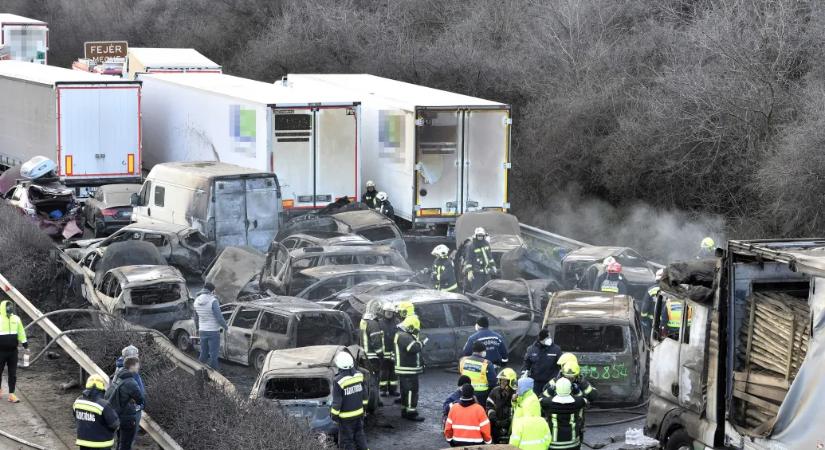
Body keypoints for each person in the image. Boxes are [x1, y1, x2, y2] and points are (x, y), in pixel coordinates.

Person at [330, 351, 368, 450]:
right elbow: (364, 395)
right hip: (359, 414)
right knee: (360, 436)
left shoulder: (338, 381)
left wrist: (334, 416)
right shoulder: (359, 375)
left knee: (347, 441)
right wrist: (364, 409)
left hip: (345, 418)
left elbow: (337, 402)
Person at [106, 357, 145, 450]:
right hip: (127, 417)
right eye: (137, 365)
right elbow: (140, 399)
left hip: (116, 414)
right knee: (126, 444)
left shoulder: (118, 376)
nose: (138, 367)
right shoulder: (131, 382)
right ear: (132, 366)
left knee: (119, 441)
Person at [73, 374, 120, 450]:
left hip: (83, 442)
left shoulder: (77, 402)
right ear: (101, 388)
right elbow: (115, 424)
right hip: (102, 444)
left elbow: (76, 417)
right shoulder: (104, 405)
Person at [540, 378, 586, 450]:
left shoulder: (548, 403)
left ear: (556, 389)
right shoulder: (578, 402)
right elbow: (584, 399)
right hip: (573, 443)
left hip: (554, 444)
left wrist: (550, 390)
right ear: (570, 389)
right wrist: (577, 390)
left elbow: (540, 398)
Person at [394, 316, 424, 421]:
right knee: (412, 390)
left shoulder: (401, 334)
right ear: (410, 327)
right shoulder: (404, 336)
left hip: (404, 369)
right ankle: (411, 412)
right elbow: (413, 348)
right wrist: (421, 343)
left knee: (405, 390)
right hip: (408, 369)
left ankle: (405, 409)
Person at [193, 282, 228, 370]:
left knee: (203, 353)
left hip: (202, 331)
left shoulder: (196, 300)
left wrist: (197, 328)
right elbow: (219, 317)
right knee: (213, 354)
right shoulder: (213, 301)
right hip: (213, 331)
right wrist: (226, 327)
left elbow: (195, 317)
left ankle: (199, 371)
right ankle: (214, 375)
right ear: (212, 291)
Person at [0, 299, 27, 403]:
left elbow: (21, 331)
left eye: (10, 306)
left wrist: (25, 344)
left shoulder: (16, 318)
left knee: (13, 373)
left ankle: (11, 394)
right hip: (0, 352)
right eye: (7, 306)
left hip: (13, 352)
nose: (9, 308)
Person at [521, 328, 562, 395]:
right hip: (536, 383)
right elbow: (526, 363)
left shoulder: (556, 350)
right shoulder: (531, 349)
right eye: (548, 337)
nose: (550, 339)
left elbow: (561, 364)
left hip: (550, 383)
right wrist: (524, 373)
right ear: (542, 339)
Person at [359, 299, 384, 404]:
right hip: (373, 357)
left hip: (365, 356)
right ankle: (373, 402)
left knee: (368, 380)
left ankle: (374, 400)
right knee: (374, 380)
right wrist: (381, 354)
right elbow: (376, 341)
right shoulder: (373, 323)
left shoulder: (363, 321)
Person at [459, 341, 497, 406]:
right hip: (482, 394)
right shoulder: (487, 363)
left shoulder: (463, 360)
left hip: (465, 392)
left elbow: (461, 374)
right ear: (482, 351)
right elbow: (493, 382)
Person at [486, 368, 517, 443]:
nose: (502, 382)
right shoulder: (495, 391)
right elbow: (489, 406)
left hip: (511, 428)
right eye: (501, 380)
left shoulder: (516, 394)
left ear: (511, 382)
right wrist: (495, 420)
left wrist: (509, 421)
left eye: (505, 380)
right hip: (496, 425)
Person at [463, 227, 497, 292]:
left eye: (482, 235)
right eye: (479, 235)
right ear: (476, 235)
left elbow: (490, 257)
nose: (480, 237)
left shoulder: (486, 244)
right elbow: (469, 260)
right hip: (477, 273)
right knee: (478, 290)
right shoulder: (471, 246)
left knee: (488, 290)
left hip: (487, 272)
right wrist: (470, 272)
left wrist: (493, 266)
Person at [378, 303, 399, 397]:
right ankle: (383, 390)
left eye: (391, 312)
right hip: (383, 352)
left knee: (394, 373)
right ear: (384, 312)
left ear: (393, 313)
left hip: (394, 352)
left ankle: (392, 390)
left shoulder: (397, 322)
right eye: (387, 311)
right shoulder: (379, 323)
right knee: (384, 373)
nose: (389, 313)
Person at [641, 269, 663, 339]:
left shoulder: (651, 289)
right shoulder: (670, 290)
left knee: (650, 336)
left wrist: (643, 318)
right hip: (664, 321)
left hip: (651, 319)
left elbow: (645, 305)